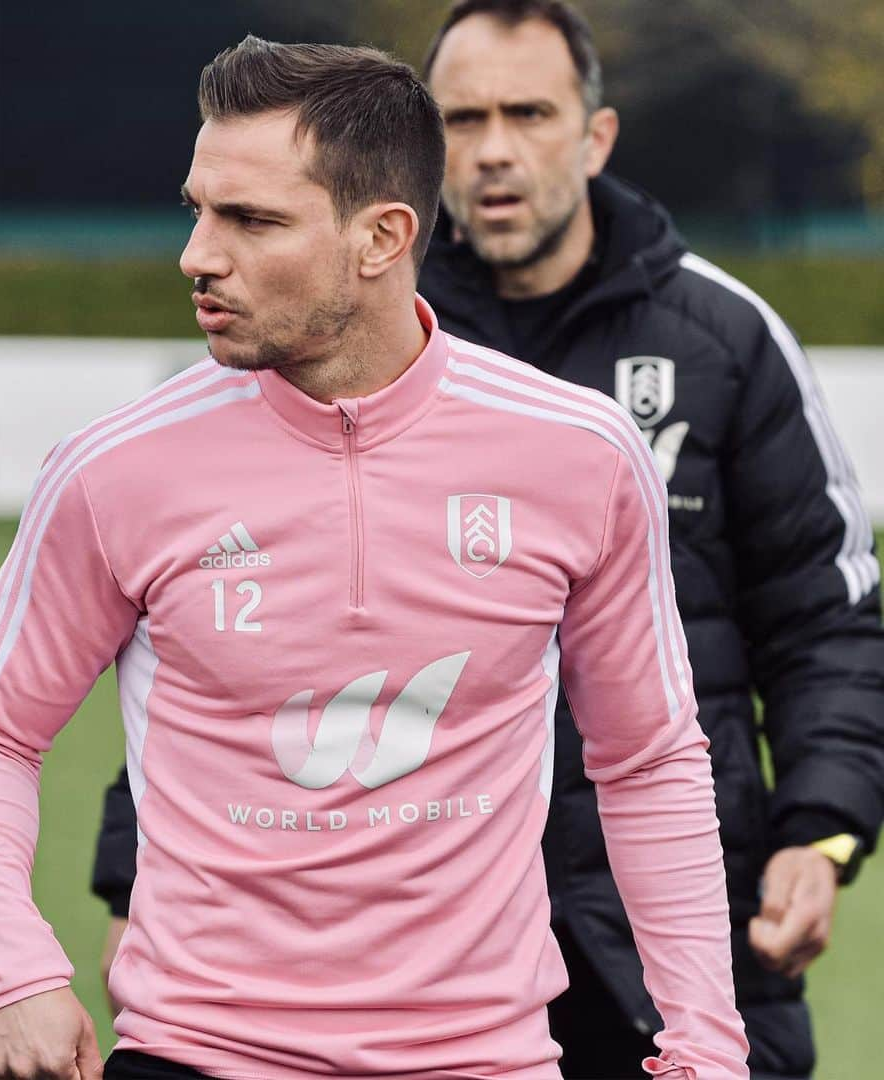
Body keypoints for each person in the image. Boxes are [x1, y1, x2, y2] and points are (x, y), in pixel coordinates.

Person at [0, 34, 751, 1080]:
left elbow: (649, 759)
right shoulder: (114, 469)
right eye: (198, 210)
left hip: (487, 1062)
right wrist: (11, 965)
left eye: (252, 220)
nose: (198, 255)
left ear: (383, 237)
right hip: (196, 1056)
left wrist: (709, 1044)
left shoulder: (579, 453)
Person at [91, 4, 884, 1079]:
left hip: (660, 934)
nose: (496, 149)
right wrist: (131, 881)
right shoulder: (330, 330)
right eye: (464, 118)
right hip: (409, 959)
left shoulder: (726, 340)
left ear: (595, 136)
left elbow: (826, 616)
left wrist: (820, 829)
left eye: (531, 113)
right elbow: (216, 650)